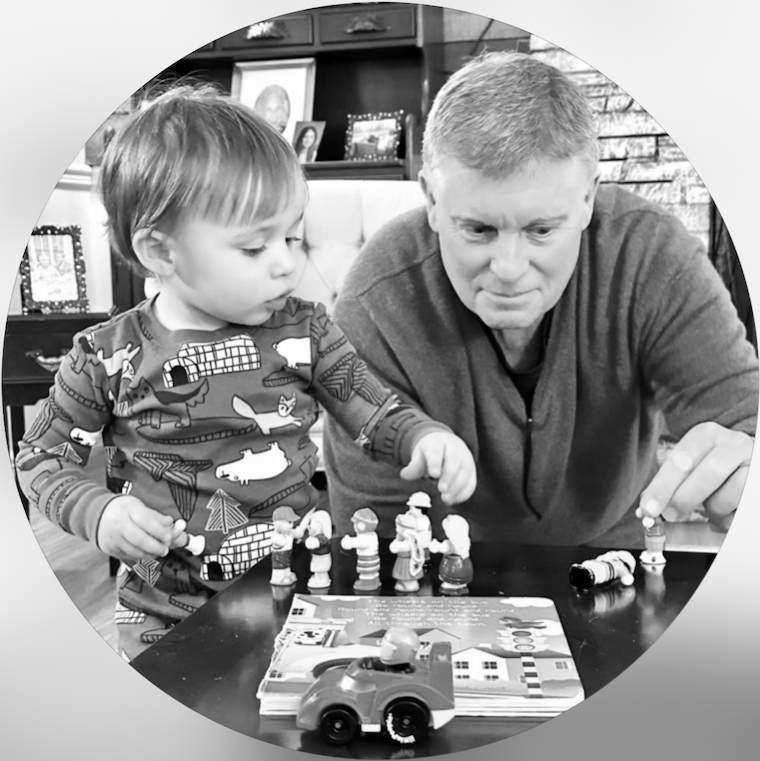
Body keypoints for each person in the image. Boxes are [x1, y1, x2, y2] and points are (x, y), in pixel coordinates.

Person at [14, 84, 476, 660]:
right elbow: (37, 457)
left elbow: (374, 411)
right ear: (161, 252)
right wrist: (98, 512)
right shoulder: (104, 356)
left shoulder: (307, 331)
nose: (286, 263)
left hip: (299, 596)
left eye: (292, 237)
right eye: (255, 248)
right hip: (164, 616)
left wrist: (424, 436)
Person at [324, 51, 758, 547]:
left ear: (588, 199)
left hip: (617, 552)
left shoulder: (652, 258)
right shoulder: (375, 302)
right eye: (478, 229)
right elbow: (374, 541)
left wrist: (742, 470)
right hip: (446, 567)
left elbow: (743, 417)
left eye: (542, 230)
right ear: (432, 201)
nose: (509, 269)